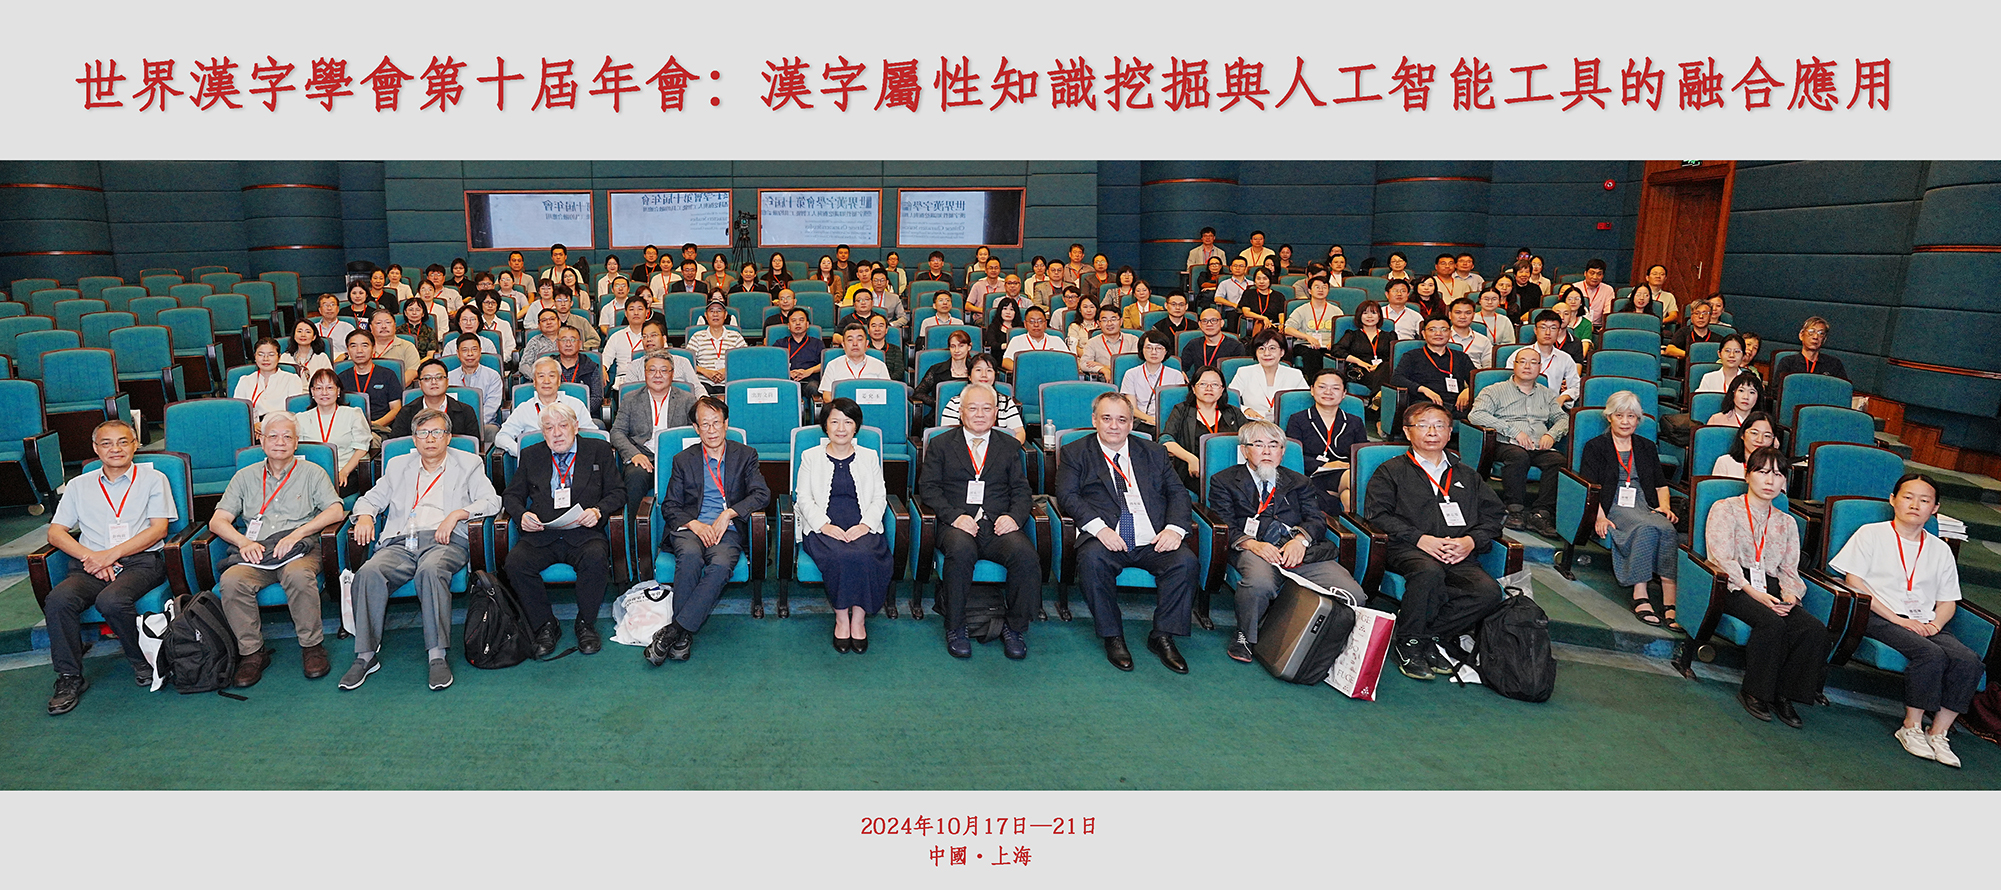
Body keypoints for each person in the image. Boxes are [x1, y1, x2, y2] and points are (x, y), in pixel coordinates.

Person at [339, 407, 500, 692]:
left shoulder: (468, 463)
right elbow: (371, 499)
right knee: (368, 572)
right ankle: (365, 656)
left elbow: (491, 501)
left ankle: (437, 655)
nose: (430, 439)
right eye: (423, 433)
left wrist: (457, 514)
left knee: (431, 570)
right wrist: (364, 516)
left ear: (448, 437)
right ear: (414, 439)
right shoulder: (398, 465)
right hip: (401, 542)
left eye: (437, 432)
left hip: (444, 540)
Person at [1830, 473, 1982, 767]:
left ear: (1935, 508)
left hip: (1924, 621)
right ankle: (1911, 726)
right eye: (1908, 497)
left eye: (1924, 500)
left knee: (1969, 660)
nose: (1915, 505)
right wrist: (1897, 620)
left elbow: (1948, 601)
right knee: (1930, 653)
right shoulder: (1871, 534)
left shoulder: (1940, 549)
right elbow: (1854, 582)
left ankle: (1938, 732)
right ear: (1893, 500)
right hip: (1878, 615)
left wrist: (1935, 625)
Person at [1054, 392, 1198, 674]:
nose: (1114, 426)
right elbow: (1067, 495)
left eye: (1122, 420)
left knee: (1185, 562)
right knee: (1092, 560)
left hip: (1152, 537)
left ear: (1132, 423)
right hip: (1107, 535)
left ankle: (1163, 636)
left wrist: (1174, 529)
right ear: (1094, 420)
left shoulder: (1154, 452)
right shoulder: (1076, 452)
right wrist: (1099, 529)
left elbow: (1178, 493)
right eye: (1106, 418)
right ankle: (1113, 636)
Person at [39, 421, 176, 715]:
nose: (116, 449)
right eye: (107, 443)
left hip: (140, 561)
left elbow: (159, 530)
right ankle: (69, 676)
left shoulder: (154, 479)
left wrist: (110, 555)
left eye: (123, 442)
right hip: (90, 564)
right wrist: (92, 557)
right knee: (59, 600)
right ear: (95, 448)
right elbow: (56, 533)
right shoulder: (78, 485)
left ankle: (141, 661)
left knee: (112, 600)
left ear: (135, 445)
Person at [1363, 402, 1507, 681]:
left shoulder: (1467, 474)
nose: (1432, 432)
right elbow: (1377, 515)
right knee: (1428, 572)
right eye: (1423, 425)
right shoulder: (1391, 471)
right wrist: (1420, 539)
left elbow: (1494, 515)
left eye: (1440, 426)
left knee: (1488, 592)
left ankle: (1426, 637)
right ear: (1408, 432)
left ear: (1450, 432)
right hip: (1408, 548)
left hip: (1457, 551)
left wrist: (1470, 541)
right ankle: (1410, 644)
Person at [208, 412, 346, 687]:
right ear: (261, 441)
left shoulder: (312, 472)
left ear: (296, 443)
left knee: (297, 575)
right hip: (257, 551)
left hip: (299, 549)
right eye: (273, 436)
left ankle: (312, 646)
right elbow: (217, 521)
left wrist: (298, 534)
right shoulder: (245, 477)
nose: (280, 442)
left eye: (287, 437)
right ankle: (252, 653)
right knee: (231, 580)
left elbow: (336, 510)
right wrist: (244, 542)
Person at [1211, 423, 1366, 663]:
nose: (1267, 451)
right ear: (1244, 450)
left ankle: (1324, 648)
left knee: (1354, 594)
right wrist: (1253, 544)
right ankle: (1245, 636)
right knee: (1259, 584)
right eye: (1259, 444)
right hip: (1254, 548)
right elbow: (1224, 523)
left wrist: (1300, 540)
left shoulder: (1299, 481)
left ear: (1282, 452)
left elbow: (1316, 519)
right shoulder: (1225, 480)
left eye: (1274, 446)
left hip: (1297, 549)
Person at [1704, 445, 1829, 728]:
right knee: (1771, 623)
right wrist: (1754, 592)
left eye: (1777, 474)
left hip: (1771, 585)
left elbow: (1789, 569)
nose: (1770, 480)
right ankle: (1755, 692)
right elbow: (1721, 558)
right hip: (1734, 584)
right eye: (1762, 472)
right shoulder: (1725, 509)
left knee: (1813, 630)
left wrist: (1790, 595)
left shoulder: (1787, 522)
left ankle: (1784, 694)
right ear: (1747, 475)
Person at [645, 396, 770, 664]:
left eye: (716, 423)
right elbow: (670, 505)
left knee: (721, 565)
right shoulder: (683, 459)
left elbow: (761, 494)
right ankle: (682, 634)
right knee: (690, 557)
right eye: (705, 424)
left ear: (726, 424)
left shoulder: (745, 455)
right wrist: (695, 524)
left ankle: (676, 631)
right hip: (691, 528)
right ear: (696, 428)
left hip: (728, 530)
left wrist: (728, 514)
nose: (711, 430)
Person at [920, 384, 1041, 660]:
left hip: (998, 524)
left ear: (996, 413)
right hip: (957, 523)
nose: (979, 414)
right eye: (972, 408)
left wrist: (1014, 517)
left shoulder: (1008, 445)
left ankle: (1015, 627)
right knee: (961, 551)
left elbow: (1021, 490)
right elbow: (928, 489)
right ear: (961, 413)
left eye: (986, 409)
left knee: (1025, 556)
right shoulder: (941, 444)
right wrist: (954, 516)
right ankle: (956, 626)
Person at [501, 402, 624, 658]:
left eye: (562, 425)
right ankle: (545, 625)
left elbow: (618, 492)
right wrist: (522, 515)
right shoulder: (532, 454)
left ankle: (585, 624)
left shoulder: (598, 450)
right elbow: (511, 495)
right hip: (542, 533)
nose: (556, 433)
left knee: (595, 558)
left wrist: (598, 511)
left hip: (583, 532)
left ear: (575, 426)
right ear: (543, 432)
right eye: (549, 428)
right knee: (515, 563)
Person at [795, 398, 894, 654]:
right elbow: (803, 498)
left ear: (856, 427)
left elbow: (879, 497)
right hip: (823, 527)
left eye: (848, 422)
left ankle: (858, 620)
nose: (841, 428)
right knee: (840, 555)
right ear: (825, 426)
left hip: (862, 524)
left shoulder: (869, 457)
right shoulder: (810, 457)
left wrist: (866, 525)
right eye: (835, 422)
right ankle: (841, 618)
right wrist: (824, 525)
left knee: (866, 554)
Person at [1581, 391, 1680, 630]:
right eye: (1619, 416)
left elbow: (1661, 484)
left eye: (1631, 416)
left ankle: (1670, 600)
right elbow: (1589, 487)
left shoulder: (1646, 447)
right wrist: (1599, 517)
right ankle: (1640, 593)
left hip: (1644, 503)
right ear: (1609, 417)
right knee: (1645, 528)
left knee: (1667, 528)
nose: (1625, 422)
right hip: (1612, 503)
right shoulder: (1596, 446)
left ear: (1638, 419)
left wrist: (1664, 507)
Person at [1468, 348, 1569, 536]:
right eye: (1522, 361)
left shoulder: (1547, 394)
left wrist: (1552, 435)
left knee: (1558, 461)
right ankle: (1514, 510)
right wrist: (1513, 431)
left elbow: (1563, 418)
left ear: (1540, 367)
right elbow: (1476, 415)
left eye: (1533, 362)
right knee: (1518, 456)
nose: (1527, 366)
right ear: (1514, 365)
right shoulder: (1494, 390)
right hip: (1506, 443)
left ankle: (1540, 514)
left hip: (1538, 445)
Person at [609, 349, 700, 505]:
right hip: (644, 456)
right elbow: (617, 432)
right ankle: (633, 522)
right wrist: (634, 454)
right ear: (645, 373)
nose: (658, 375)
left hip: (677, 457)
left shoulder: (687, 399)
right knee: (635, 476)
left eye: (664, 370)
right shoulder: (631, 399)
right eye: (652, 370)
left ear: (672, 374)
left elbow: (695, 432)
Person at [1284, 369, 1368, 511]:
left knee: (1348, 497)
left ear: (1344, 393)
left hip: (1344, 472)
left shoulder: (1355, 422)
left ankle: (1349, 524)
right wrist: (1327, 464)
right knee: (1355, 478)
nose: (1328, 392)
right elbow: (1293, 456)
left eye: (1335, 388)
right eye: (1322, 387)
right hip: (1314, 474)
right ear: (1312, 390)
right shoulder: (1298, 419)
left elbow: (1361, 454)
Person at [1158, 366, 1246, 489]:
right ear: (1193, 388)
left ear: (1222, 390)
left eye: (1215, 384)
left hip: (1230, 472)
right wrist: (1191, 459)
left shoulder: (1234, 413)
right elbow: (1165, 440)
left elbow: (1251, 439)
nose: (1209, 388)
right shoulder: (1181, 410)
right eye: (1203, 384)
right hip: (1194, 474)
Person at [497, 357, 601, 457]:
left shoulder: (575, 405)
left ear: (559, 381)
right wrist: (522, 453)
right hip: (537, 464)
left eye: (551, 376)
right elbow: (501, 437)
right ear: (534, 382)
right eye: (541, 376)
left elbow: (592, 435)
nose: (546, 381)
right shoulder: (524, 409)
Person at [1393, 317, 1477, 419]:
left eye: (1443, 329)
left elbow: (1476, 380)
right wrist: (1423, 390)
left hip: (1457, 406)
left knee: (1478, 415)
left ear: (1450, 333)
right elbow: (1397, 378)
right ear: (1424, 334)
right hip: (1425, 405)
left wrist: (1468, 391)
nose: (1438, 333)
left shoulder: (1461, 357)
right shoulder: (1412, 356)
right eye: (1432, 329)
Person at [388, 358, 482, 441]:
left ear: (447, 381)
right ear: (420, 384)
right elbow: (398, 446)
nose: (433, 382)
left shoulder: (465, 412)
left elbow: (472, 446)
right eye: (427, 378)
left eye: (439, 377)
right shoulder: (406, 413)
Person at [1229, 328, 1308, 422]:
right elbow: (1229, 399)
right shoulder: (1244, 373)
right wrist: (1245, 409)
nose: (1266, 353)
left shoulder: (1295, 375)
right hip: (1253, 423)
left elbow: (1305, 401)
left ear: (1282, 352)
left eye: (1272, 348)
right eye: (1261, 349)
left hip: (1285, 424)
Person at [233, 337, 306, 437]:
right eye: (261, 354)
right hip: (253, 431)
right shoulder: (245, 381)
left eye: (271, 355)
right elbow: (238, 412)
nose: (265, 359)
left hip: (282, 430)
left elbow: (294, 414)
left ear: (279, 357)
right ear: (255, 356)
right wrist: (252, 426)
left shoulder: (292, 379)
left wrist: (269, 427)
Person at [1771, 316, 1851, 404]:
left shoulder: (1834, 364)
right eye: (1811, 332)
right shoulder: (1788, 362)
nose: (1815, 337)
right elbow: (1776, 392)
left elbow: (1842, 392)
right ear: (1801, 335)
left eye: (1821, 333)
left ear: (1824, 339)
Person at [336, 330, 404, 432]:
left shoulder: (388, 375)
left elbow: (396, 409)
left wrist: (374, 425)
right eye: (353, 346)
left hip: (379, 428)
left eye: (364, 345)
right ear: (348, 351)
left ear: (373, 349)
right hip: (348, 429)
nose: (359, 350)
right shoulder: (341, 378)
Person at [1119, 331, 1186, 435]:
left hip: (1169, 423)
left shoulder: (1176, 375)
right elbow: (1131, 408)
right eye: (1149, 348)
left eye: (1159, 348)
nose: (1154, 352)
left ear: (1165, 351)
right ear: (1142, 350)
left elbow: (1179, 407)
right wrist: (1149, 419)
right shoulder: (1131, 374)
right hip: (1142, 422)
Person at [1333, 300, 1397, 401]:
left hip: (1384, 370)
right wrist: (1359, 362)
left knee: (1385, 367)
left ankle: (1375, 400)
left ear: (1379, 316)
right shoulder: (1352, 335)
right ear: (1359, 316)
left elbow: (1395, 356)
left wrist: (1379, 366)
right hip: (1361, 370)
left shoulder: (1389, 336)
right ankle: (1377, 399)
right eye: (1365, 313)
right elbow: (1337, 350)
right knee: (1384, 379)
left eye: (1374, 313)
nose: (1370, 316)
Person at [1284, 277, 1343, 380]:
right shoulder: (1301, 310)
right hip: (1306, 345)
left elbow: (1341, 332)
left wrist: (1334, 342)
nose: (1321, 290)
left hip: (1328, 346)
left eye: (1324, 287)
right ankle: (1315, 383)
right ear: (1309, 291)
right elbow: (1288, 329)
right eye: (1317, 287)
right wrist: (1307, 337)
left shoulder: (1336, 311)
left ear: (1328, 290)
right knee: (1312, 354)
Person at [686, 299, 747, 394]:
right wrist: (705, 372)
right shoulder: (697, 337)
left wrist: (726, 371)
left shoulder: (735, 336)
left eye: (719, 311)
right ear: (706, 315)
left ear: (725, 315)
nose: (715, 314)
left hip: (730, 383)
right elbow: (687, 362)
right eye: (711, 311)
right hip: (704, 383)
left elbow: (744, 360)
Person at [818, 323, 891, 404]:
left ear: (866, 344)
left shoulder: (879, 366)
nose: (855, 344)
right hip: (842, 410)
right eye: (850, 340)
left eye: (859, 339)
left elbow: (887, 393)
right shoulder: (833, 365)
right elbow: (827, 395)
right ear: (843, 344)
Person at [1525, 311, 1583, 406]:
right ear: (1535, 330)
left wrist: (1562, 398)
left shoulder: (1565, 358)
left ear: (1559, 331)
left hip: (1552, 406)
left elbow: (1575, 387)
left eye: (1553, 328)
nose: (1548, 333)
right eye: (1543, 328)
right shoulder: (1519, 355)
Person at [914, 329, 975, 416]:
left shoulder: (975, 370)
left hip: (969, 415)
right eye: (953, 346)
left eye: (961, 346)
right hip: (940, 414)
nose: (956, 350)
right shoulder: (936, 369)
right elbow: (918, 393)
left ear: (969, 347)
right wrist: (938, 403)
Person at [1001, 305, 1074, 375]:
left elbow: (1069, 361)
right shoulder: (1017, 340)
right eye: (1032, 321)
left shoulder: (1057, 340)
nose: (1036, 325)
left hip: (1053, 378)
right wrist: (1025, 370)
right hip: (1027, 378)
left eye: (1040, 321)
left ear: (1045, 324)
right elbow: (1006, 361)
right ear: (1025, 324)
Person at [1077, 303, 1137, 383]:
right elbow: (1084, 364)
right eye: (1104, 320)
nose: (1109, 323)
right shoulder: (1092, 342)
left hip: (1131, 381)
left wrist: (1104, 366)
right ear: (1099, 324)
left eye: (1113, 319)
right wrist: (1102, 369)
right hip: (1105, 382)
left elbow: (1135, 363)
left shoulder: (1133, 340)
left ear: (1121, 321)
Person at [1710, 411, 1780, 478]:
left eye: (1767, 436)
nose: (1760, 440)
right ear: (1742, 434)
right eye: (1754, 433)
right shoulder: (1725, 462)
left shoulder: (1776, 467)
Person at [550, 325, 605, 409]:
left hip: (583, 412)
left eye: (573, 340)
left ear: (580, 344)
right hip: (553, 412)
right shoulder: (549, 366)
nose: (568, 344)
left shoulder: (590, 366)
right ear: (557, 343)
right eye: (564, 340)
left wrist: (578, 411)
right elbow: (542, 393)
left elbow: (597, 398)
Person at [365, 309, 423, 385]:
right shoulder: (362, 347)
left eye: (388, 322)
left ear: (395, 326)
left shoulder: (407, 346)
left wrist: (394, 387)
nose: (384, 326)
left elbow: (413, 371)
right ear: (371, 327)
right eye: (378, 323)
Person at [1446, 298, 1495, 369]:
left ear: (1473, 315)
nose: (1463, 317)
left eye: (1468, 313)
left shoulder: (1483, 341)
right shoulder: (1441, 338)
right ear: (1450, 315)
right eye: (1458, 312)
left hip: (1475, 374)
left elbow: (1488, 367)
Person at [979, 299, 1019, 368]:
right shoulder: (994, 327)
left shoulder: (1020, 328)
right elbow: (991, 343)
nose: (1008, 312)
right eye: (1005, 309)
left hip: (1016, 359)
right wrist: (1004, 346)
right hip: (998, 359)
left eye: (1011, 309)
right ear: (1000, 311)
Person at [1577, 258, 1615, 327]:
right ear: (1585, 273)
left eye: (1599, 274)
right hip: (1578, 325)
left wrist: (1604, 326)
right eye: (1592, 273)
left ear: (1603, 276)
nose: (1595, 277)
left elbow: (1608, 312)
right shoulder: (1575, 287)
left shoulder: (1608, 290)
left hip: (1598, 326)